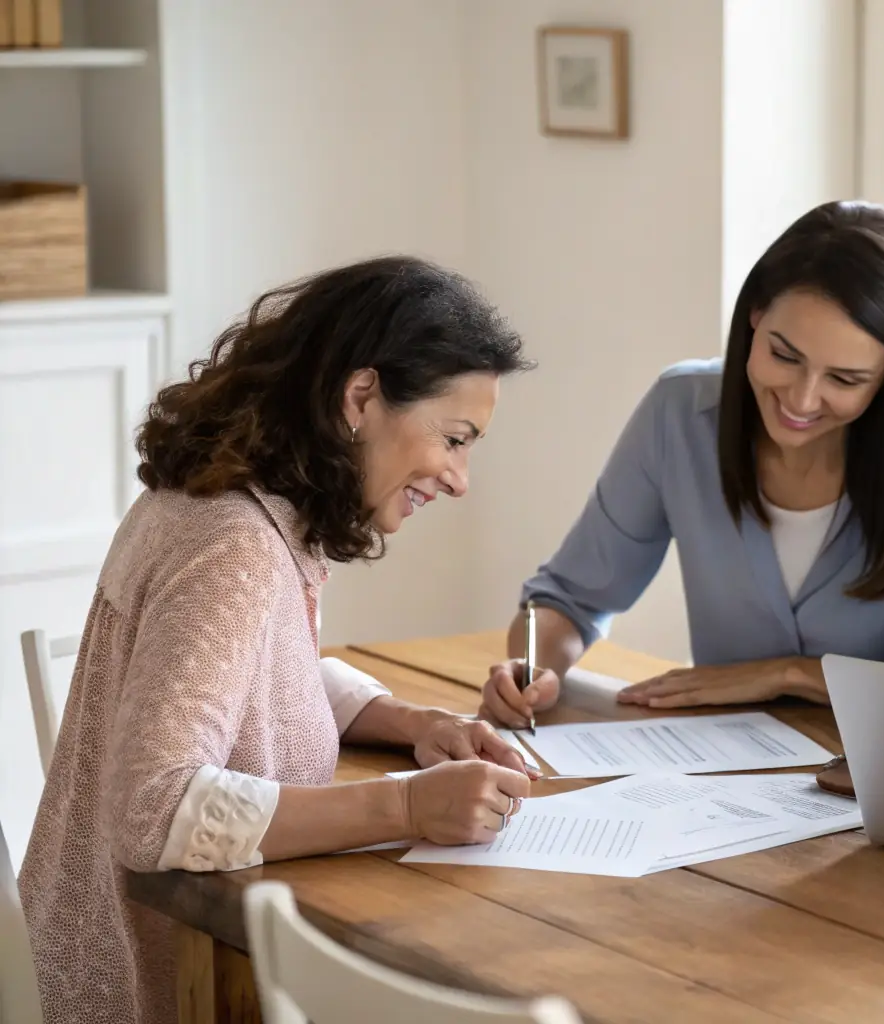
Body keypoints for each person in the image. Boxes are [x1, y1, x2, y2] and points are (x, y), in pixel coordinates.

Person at [20, 256, 538, 1024]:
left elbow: (257, 665)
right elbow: (153, 809)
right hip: (146, 991)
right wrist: (406, 808)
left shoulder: (225, 503)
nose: (461, 478)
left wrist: (414, 725)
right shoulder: (231, 545)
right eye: (455, 438)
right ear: (361, 397)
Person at [479, 200, 884, 727]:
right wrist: (534, 668)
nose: (803, 400)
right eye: (784, 355)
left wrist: (789, 675)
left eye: (844, 379)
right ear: (755, 316)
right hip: (723, 782)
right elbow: (569, 599)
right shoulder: (681, 412)